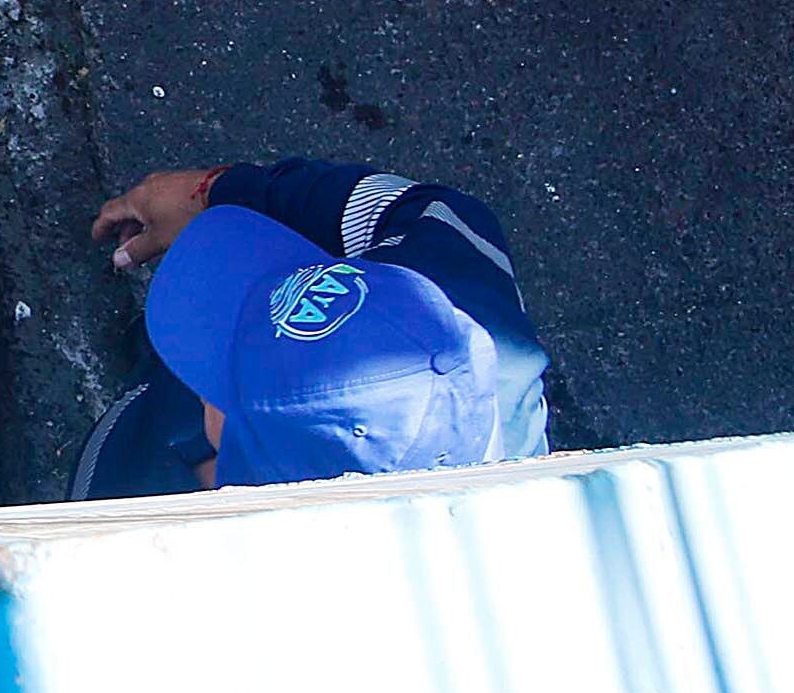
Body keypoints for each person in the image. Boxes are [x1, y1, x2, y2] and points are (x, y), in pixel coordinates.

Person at [71, 157, 551, 496]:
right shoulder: (459, 288)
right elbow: (412, 208)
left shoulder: (133, 518)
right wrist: (215, 193)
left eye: (221, 381)